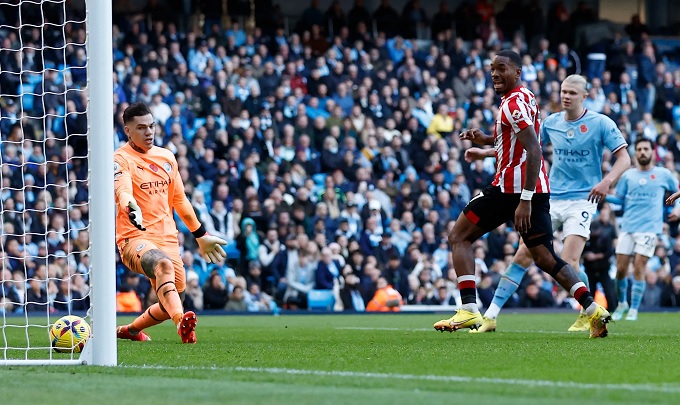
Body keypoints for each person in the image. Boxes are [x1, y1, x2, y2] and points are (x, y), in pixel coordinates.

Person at [433, 50, 611, 338]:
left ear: (517, 72)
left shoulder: (513, 104)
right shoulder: (525, 96)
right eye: (491, 68)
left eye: (501, 68)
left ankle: (469, 309)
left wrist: (524, 200)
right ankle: (593, 310)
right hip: (536, 189)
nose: (494, 73)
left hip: (510, 189)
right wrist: (487, 142)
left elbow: (534, 150)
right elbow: (516, 139)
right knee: (544, 258)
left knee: (459, 237)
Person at [465, 74, 630, 333]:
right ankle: (491, 315)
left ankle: (589, 312)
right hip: (551, 197)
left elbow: (624, 158)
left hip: (583, 200)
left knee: (568, 259)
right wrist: (484, 151)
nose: (566, 96)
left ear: (584, 96)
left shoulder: (601, 123)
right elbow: (521, 144)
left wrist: (607, 180)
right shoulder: (551, 122)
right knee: (522, 254)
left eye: (572, 93)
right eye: (563, 91)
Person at [114, 103, 227, 344]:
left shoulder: (166, 157)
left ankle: (130, 330)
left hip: (168, 239)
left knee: (172, 298)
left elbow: (180, 200)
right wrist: (128, 203)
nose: (149, 132)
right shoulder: (121, 159)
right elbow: (121, 189)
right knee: (163, 266)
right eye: (141, 128)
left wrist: (201, 235)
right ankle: (182, 324)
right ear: (127, 131)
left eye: (152, 126)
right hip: (134, 239)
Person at [609, 138, 680, 321]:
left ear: (652, 151)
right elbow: (619, 200)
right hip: (628, 227)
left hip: (649, 228)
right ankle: (622, 304)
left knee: (640, 265)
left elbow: (677, 193)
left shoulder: (663, 174)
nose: (642, 152)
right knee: (621, 270)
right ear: (635, 153)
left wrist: (678, 208)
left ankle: (634, 309)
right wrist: (605, 197)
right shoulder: (627, 176)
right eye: (639, 149)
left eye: (645, 149)